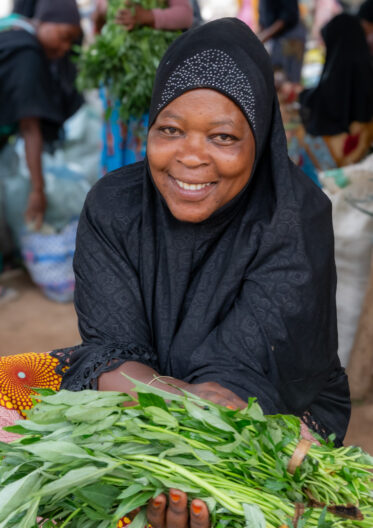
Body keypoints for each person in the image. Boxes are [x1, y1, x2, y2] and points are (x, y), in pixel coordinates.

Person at [1, 17, 350, 528]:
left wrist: (186, 436)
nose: (189, 157)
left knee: (257, 507)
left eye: (223, 137)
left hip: (266, 408)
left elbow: (239, 384)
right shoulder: (115, 204)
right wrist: (165, 397)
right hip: (143, 382)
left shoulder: (295, 216)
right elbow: (111, 349)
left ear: (260, 138)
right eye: (170, 129)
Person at [0, 0, 82, 230]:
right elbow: (29, 127)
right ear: (45, 22)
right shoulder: (28, 55)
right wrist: (38, 191)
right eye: (64, 35)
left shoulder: (12, 25)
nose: (66, 47)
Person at [94, 0, 193, 175]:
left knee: (146, 135)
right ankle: (113, 188)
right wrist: (105, 9)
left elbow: (185, 16)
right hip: (117, 74)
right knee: (116, 136)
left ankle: (143, 189)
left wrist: (147, 17)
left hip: (148, 76)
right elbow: (98, 20)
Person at [298, 13, 373, 172]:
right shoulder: (365, 65)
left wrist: (301, 94)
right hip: (359, 150)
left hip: (334, 150)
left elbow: (322, 100)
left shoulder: (337, 69)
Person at [258, 0, 306, 84]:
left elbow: (288, 15)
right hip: (276, 39)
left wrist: (263, 36)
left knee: (289, 82)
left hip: (290, 37)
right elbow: (264, 18)